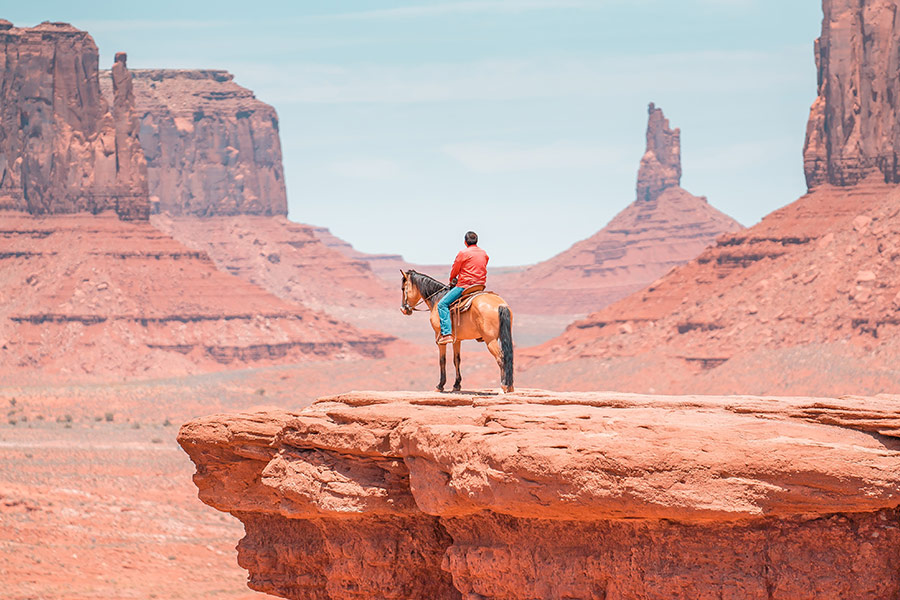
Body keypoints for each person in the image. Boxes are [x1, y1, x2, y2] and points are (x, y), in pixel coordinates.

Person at [436, 231, 488, 344]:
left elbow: (455, 268)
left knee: (442, 304)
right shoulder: (484, 253)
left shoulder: (463, 253)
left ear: (465, 242)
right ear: (476, 241)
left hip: (465, 286)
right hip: (480, 286)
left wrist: (452, 280)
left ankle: (447, 334)